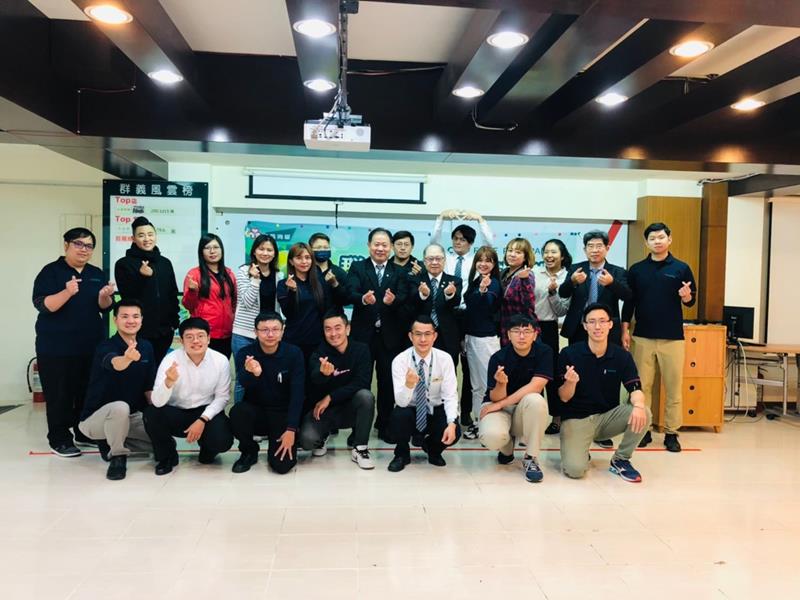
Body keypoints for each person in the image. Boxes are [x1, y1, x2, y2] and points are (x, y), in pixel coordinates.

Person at [32, 227, 116, 457]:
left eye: (89, 246)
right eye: (78, 244)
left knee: (86, 392)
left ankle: (83, 432)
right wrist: (67, 292)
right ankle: (59, 438)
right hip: (56, 347)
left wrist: (105, 296)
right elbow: (43, 305)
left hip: (90, 345)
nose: (83, 249)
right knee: (59, 394)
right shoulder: (50, 272)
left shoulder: (95, 273)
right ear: (66, 245)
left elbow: (104, 307)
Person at [621, 222, 697, 452]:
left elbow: (691, 300)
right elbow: (629, 302)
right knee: (642, 387)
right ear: (646, 242)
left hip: (672, 338)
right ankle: (643, 430)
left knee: (673, 388)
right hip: (643, 336)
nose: (657, 241)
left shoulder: (681, 268)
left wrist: (686, 297)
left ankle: (671, 433)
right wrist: (625, 329)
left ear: (669, 239)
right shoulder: (637, 270)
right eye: (652, 238)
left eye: (661, 237)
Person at [557, 303, 651, 482]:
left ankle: (621, 459)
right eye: (592, 322)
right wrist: (570, 383)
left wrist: (639, 405)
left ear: (610, 324)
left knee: (643, 411)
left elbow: (635, 389)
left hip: (607, 418)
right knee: (575, 470)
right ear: (585, 326)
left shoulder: (622, 356)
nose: (597, 326)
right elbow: (563, 397)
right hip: (577, 419)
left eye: (602, 321)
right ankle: (580, 451)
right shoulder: (569, 353)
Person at [431, 210, 495, 433]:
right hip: (448, 314)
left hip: (469, 315)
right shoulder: (446, 259)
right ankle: (445, 410)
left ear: (471, 243)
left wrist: (480, 220)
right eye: (455, 238)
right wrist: (441, 219)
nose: (458, 242)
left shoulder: (476, 262)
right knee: (447, 364)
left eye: (463, 240)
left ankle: (467, 410)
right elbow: (434, 243)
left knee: (470, 368)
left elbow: (489, 245)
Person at [144, 317, 234, 475]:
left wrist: (202, 420)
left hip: (205, 412)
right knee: (152, 413)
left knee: (222, 440)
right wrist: (168, 383)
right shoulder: (170, 360)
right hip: (176, 411)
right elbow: (157, 402)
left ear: (208, 339)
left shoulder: (220, 361)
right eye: (189, 337)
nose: (195, 341)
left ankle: (208, 450)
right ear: (181, 341)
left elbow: (222, 397)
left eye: (200, 336)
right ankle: (167, 456)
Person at [78, 300, 155, 481]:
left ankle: (110, 441)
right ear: (115, 320)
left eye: (135, 316)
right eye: (125, 316)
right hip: (95, 419)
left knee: (162, 442)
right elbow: (116, 364)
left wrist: (158, 417)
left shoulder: (146, 347)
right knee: (120, 407)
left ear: (142, 320)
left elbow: (148, 387)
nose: (131, 321)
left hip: (131, 417)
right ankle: (118, 457)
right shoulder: (106, 346)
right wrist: (127, 358)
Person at [345, 228, 408, 442]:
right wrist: (363, 299)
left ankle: (384, 425)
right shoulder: (358, 267)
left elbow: (404, 296)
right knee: (360, 382)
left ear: (390, 247)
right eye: (376, 244)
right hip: (363, 336)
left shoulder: (399, 271)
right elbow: (349, 292)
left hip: (389, 337)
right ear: (369, 245)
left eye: (384, 245)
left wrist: (394, 301)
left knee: (387, 383)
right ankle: (357, 429)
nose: (380, 248)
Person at [298, 310, 375, 469]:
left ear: (348, 329)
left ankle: (360, 448)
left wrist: (331, 397)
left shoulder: (361, 350)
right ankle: (323, 435)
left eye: (338, 328)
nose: (333, 334)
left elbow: (362, 382)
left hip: (350, 409)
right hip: (325, 412)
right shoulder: (319, 354)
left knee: (366, 396)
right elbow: (313, 380)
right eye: (328, 329)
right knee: (307, 441)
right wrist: (323, 374)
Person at [479, 314, 552, 483]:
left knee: (536, 400)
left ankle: (531, 457)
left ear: (535, 334)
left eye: (527, 331)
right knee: (492, 437)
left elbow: (536, 386)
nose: (521, 336)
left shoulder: (544, 352)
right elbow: (495, 398)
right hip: (500, 407)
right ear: (508, 335)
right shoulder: (498, 358)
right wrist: (501, 384)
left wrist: (501, 404)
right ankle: (506, 448)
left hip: (524, 409)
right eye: (516, 331)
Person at [229, 312, 304, 474]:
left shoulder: (294, 353)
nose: (270, 334)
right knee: (238, 411)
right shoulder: (246, 354)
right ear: (255, 332)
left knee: (282, 466)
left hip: (282, 414)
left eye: (275, 329)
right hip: (257, 412)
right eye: (264, 330)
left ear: (282, 331)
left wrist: (291, 429)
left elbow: (298, 394)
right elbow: (244, 384)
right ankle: (249, 451)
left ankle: (279, 444)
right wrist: (253, 374)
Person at [387, 315, 461, 472]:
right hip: (410, 410)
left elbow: (450, 395)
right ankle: (401, 454)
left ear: (435, 336)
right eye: (418, 334)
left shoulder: (445, 359)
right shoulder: (400, 361)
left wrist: (452, 423)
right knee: (399, 415)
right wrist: (408, 385)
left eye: (427, 334)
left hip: (435, 409)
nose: (423, 339)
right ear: (410, 336)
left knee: (455, 428)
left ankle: (433, 449)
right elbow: (400, 402)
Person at [114, 216, 180, 365]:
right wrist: (142, 277)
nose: (147, 239)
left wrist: (173, 323)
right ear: (133, 238)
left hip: (165, 331)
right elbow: (127, 297)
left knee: (159, 369)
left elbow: (172, 294)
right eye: (141, 235)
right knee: (139, 370)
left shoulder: (165, 263)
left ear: (155, 236)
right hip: (138, 331)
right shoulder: (124, 264)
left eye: (150, 234)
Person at [232, 234, 284, 403]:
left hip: (268, 335)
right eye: (261, 249)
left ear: (274, 253)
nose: (265, 253)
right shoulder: (243, 271)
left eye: (269, 250)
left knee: (266, 376)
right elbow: (247, 302)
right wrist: (255, 279)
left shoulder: (279, 275)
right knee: (243, 378)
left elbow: (278, 306)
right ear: (254, 251)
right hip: (244, 334)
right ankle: (239, 414)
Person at [277, 242, 346, 367]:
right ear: (291, 261)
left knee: (316, 377)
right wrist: (292, 291)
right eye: (299, 258)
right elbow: (288, 313)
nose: (304, 262)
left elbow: (329, 308)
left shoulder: (320, 283)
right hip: (293, 340)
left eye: (307, 258)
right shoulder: (283, 284)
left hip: (317, 342)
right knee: (294, 376)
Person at [559, 230, 631, 347]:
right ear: (585, 249)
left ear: (607, 248)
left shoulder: (617, 271)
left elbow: (627, 296)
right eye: (590, 246)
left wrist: (612, 283)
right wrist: (572, 281)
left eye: (599, 246)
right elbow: (562, 293)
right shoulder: (576, 269)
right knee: (577, 357)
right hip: (579, 326)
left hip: (606, 328)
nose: (594, 250)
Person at [462, 246, 502, 440]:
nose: (483, 264)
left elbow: (488, 304)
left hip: (486, 340)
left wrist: (483, 291)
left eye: (488, 260)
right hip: (472, 338)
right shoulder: (476, 281)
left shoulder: (493, 283)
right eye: (480, 259)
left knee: (488, 385)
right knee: (476, 386)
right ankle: (479, 422)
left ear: (494, 264)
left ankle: (491, 425)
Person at [534, 239, 572, 435]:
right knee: (531, 373)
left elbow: (561, 310)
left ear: (562, 255)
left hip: (549, 327)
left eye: (554, 252)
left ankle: (556, 418)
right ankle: (534, 418)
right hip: (530, 326)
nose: (549, 256)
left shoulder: (568, 276)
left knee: (550, 374)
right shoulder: (534, 272)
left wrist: (552, 292)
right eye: (546, 252)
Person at [403, 243, 462, 365]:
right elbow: (412, 303)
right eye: (430, 259)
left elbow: (455, 302)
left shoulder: (454, 281)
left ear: (444, 260)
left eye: (438, 258)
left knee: (447, 371)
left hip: (447, 337)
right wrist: (423, 295)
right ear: (424, 261)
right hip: (421, 336)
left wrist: (449, 294)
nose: (434, 262)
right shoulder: (415, 280)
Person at [182, 233, 237, 359]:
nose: (212, 251)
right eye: (207, 248)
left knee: (222, 367)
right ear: (201, 252)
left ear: (221, 250)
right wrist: (192, 291)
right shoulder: (194, 274)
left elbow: (234, 302)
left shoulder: (229, 274)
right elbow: (189, 306)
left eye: (216, 247)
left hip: (227, 333)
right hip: (204, 333)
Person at [499, 237, 537, 346]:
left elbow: (528, 303)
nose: (512, 254)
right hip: (504, 326)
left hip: (520, 329)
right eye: (510, 250)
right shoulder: (503, 273)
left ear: (525, 257)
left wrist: (524, 280)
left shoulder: (527, 274)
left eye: (518, 252)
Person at [309, 232, 349, 307]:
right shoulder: (306, 271)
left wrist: (335, 284)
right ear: (310, 250)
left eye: (326, 247)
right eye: (318, 248)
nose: (322, 250)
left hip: (334, 314)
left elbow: (347, 300)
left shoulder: (339, 272)